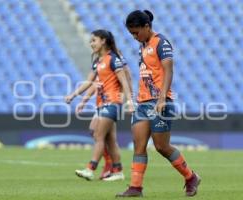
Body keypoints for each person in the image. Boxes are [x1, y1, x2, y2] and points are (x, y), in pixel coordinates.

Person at [116, 10, 201, 197]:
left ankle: (190, 176)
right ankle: (135, 187)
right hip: (143, 103)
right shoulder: (143, 45)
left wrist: (162, 98)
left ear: (147, 27)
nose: (134, 37)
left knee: (162, 147)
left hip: (160, 102)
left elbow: (168, 71)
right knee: (139, 145)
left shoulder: (161, 43)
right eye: (131, 33)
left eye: (136, 32)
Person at [65, 29, 134, 181]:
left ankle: (90, 169)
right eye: (91, 41)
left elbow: (124, 80)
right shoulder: (98, 62)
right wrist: (74, 95)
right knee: (110, 140)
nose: (91, 44)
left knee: (98, 135)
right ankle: (118, 171)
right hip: (101, 103)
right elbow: (89, 82)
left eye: (94, 40)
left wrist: (129, 101)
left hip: (112, 103)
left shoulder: (113, 59)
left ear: (103, 41)